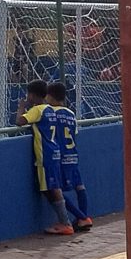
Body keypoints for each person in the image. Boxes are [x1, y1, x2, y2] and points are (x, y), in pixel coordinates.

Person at [18, 80, 76, 236]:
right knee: (48, 188)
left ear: (31, 95)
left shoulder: (38, 110)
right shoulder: (50, 109)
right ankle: (64, 221)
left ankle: (66, 223)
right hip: (54, 151)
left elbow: (20, 121)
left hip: (45, 155)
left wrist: (21, 107)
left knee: (53, 188)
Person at [48, 83, 91, 231]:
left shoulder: (50, 113)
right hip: (72, 154)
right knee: (79, 186)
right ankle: (84, 216)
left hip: (59, 157)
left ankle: (82, 217)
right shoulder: (71, 114)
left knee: (54, 189)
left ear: (50, 97)